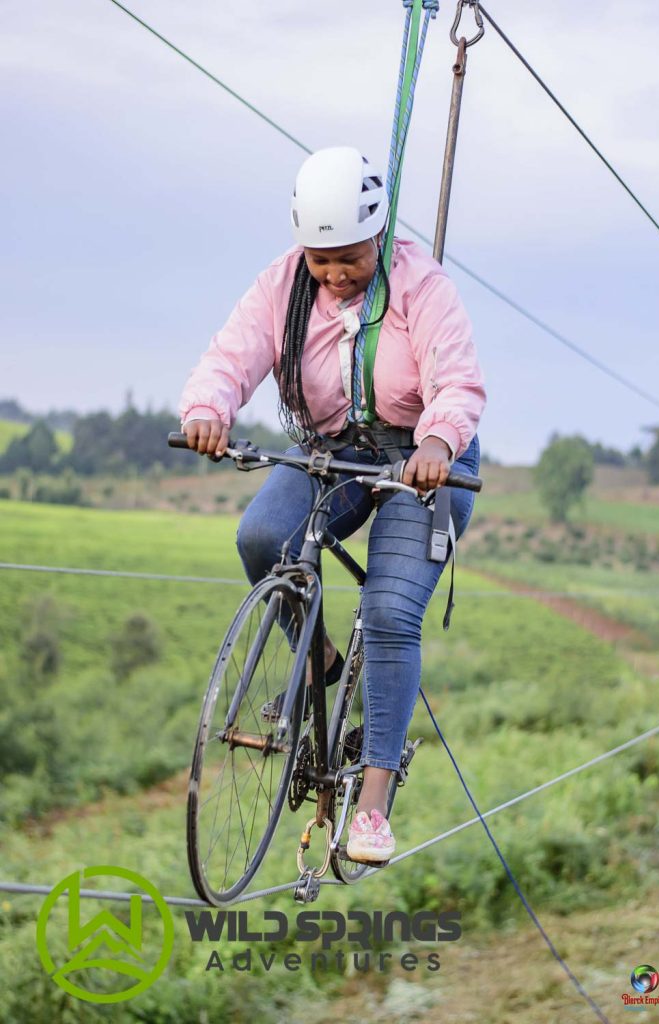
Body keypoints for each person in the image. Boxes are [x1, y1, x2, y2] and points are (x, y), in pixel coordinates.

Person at [179, 145, 486, 864]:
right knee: (263, 539)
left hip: (425, 460)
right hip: (333, 448)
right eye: (320, 260)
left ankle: (373, 803)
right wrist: (207, 407)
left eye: (347, 257)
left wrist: (438, 442)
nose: (334, 274)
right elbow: (233, 354)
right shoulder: (283, 284)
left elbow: (458, 380)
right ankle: (317, 661)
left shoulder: (420, 284)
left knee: (387, 611)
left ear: (377, 235)